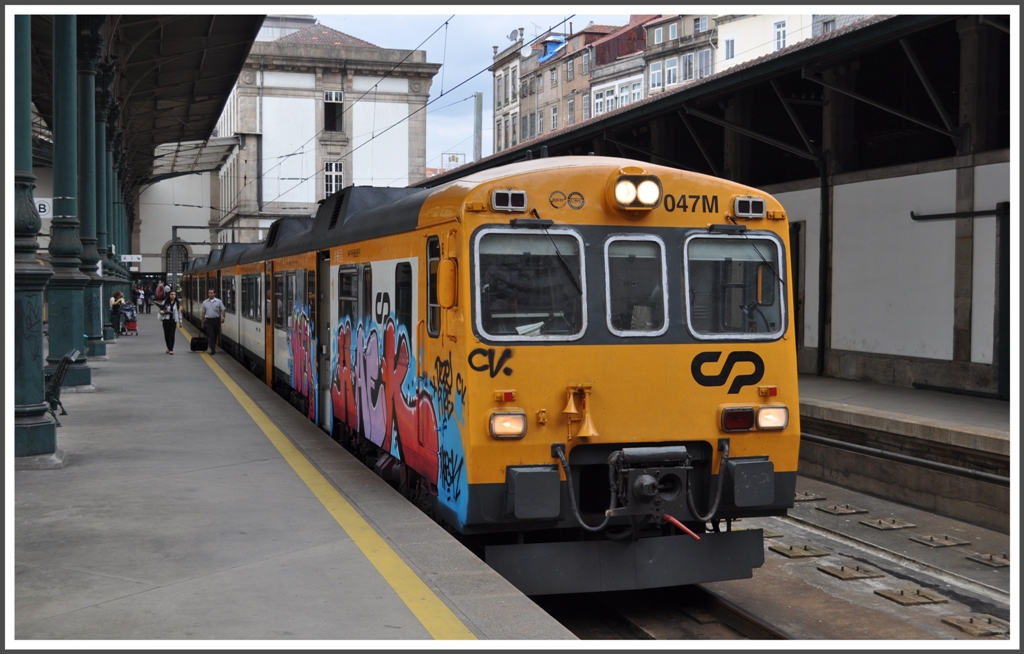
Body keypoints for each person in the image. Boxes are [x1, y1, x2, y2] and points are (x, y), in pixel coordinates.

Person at [200, 287, 226, 355]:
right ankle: (212, 348)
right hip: (208, 320)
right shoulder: (205, 302)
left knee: (215, 334)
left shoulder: (219, 301)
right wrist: (202, 323)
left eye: (211, 293)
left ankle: (213, 345)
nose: (210, 294)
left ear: (215, 293)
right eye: (209, 293)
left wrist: (223, 318)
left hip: (216, 320)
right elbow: (203, 313)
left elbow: (223, 310)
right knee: (211, 334)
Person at [159, 289, 182, 354]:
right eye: (171, 294)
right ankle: (168, 347)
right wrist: (164, 311)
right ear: (169, 295)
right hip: (166, 320)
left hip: (173, 321)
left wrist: (180, 321)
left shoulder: (177, 303)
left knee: (172, 335)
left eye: (174, 295)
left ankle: (171, 349)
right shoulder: (165, 302)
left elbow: (179, 312)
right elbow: (160, 311)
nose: (173, 296)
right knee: (166, 335)